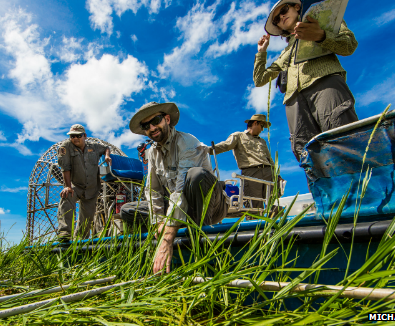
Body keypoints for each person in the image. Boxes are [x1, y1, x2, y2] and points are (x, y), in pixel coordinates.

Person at [124, 102, 229, 274]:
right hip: (176, 209)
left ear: (166, 119)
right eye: (146, 125)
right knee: (129, 210)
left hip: (207, 206)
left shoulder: (188, 142)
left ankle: (199, 255)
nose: (152, 128)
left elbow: (180, 191)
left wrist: (166, 240)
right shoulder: (152, 153)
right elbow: (153, 191)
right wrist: (159, 222)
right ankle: (151, 258)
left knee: (195, 176)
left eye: (156, 120)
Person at [253, 0, 359, 162]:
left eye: (284, 10)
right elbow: (260, 79)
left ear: (296, 7)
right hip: (294, 101)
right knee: (307, 153)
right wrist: (262, 52)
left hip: (324, 85)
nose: (281, 17)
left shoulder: (324, 21)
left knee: (342, 138)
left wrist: (321, 35)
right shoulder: (285, 54)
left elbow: (349, 45)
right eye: (276, 21)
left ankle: (358, 187)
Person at [56, 124, 111, 241]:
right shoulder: (65, 147)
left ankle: (81, 241)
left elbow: (106, 148)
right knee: (66, 196)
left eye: (78, 136)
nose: (75, 138)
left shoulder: (94, 147)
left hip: (92, 188)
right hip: (76, 186)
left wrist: (106, 156)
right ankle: (64, 233)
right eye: (72, 136)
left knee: (87, 218)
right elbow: (65, 167)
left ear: (85, 136)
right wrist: (67, 187)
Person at [211, 114, 276, 209]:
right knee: (254, 204)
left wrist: (276, 174)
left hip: (268, 172)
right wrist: (207, 150)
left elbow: (269, 158)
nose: (262, 129)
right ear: (255, 123)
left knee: (272, 201)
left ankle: (275, 222)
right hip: (252, 172)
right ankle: (254, 223)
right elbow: (225, 145)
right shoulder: (238, 136)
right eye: (262, 126)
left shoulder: (262, 141)